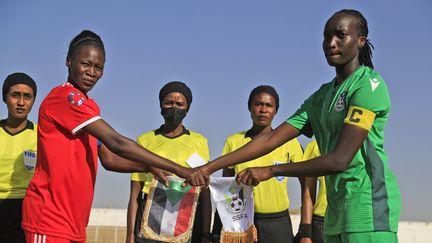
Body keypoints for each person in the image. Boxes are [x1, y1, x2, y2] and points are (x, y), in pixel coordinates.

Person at [188, 9, 401, 243]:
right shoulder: (321, 97)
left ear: (360, 41)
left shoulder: (369, 86)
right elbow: (270, 140)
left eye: (341, 35)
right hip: (336, 210)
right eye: (326, 36)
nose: (331, 43)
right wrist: (209, 167)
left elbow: (339, 160)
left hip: (368, 206)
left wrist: (271, 170)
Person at [21, 30, 206, 243]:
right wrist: (179, 169)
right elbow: (117, 142)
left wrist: (148, 167)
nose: (91, 72)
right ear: (68, 61)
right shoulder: (64, 98)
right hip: (49, 219)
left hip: (73, 222)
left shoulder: (89, 109)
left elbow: (109, 159)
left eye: (98, 67)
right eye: (85, 64)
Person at [212, 85, 303, 243]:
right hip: (242, 221)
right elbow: (226, 190)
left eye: (269, 105)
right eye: (258, 104)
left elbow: (306, 183)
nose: (263, 109)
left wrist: (305, 228)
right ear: (249, 107)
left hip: (278, 223)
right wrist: (217, 230)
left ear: (276, 110)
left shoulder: (290, 143)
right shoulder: (234, 142)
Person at [126, 81, 212, 243]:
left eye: (180, 104)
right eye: (169, 103)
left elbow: (205, 191)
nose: (174, 108)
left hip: (187, 218)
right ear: (160, 105)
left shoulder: (199, 141)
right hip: (151, 217)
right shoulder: (145, 141)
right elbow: (135, 194)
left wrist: (205, 234)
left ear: (188, 109)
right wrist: (130, 235)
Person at [0, 73, 37, 243]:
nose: (21, 102)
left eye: (27, 97)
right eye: (15, 95)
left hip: (26, 211)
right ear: (5, 98)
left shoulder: (42, 135)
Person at [295, 140, 326, 243]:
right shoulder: (316, 145)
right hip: (321, 223)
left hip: (356, 220)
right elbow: (308, 192)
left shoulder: (365, 140)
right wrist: (306, 234)